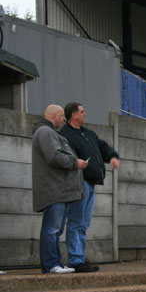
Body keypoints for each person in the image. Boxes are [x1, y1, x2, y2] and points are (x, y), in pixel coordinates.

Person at [60, 102, 120, 273]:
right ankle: (76, 259)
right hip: (78, 182)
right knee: (76, 222)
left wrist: (112, 156)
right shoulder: (66, 135)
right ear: (73, 115)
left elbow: (102, 146)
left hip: (91, 182)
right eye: (82, 111)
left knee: (83, 223)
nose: (85, 114)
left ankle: (79, 257)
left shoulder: (87, 133)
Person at [32, 105, 88, 274]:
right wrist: (75, 162)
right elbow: (54, 156)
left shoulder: (50, 133)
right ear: (55, 115)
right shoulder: (45, 132)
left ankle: (54, 263)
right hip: (53, 189)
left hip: (58, 190)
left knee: (55, 229)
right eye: (62, 116)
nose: (64, 119)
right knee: (52, 229)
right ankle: (51, 264)